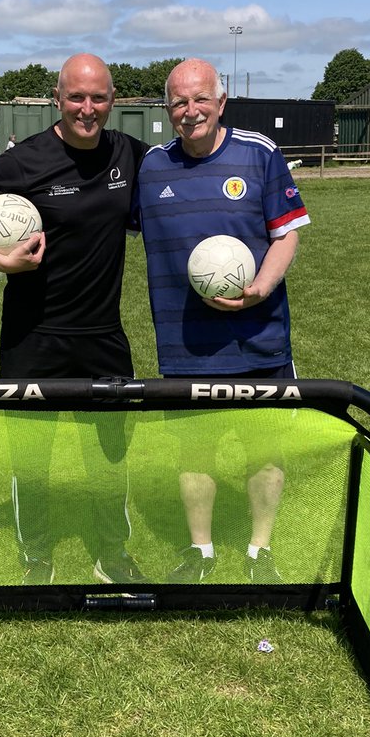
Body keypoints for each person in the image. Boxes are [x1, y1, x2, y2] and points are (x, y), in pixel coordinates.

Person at [0, 54, 148, 585]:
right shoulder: (27, 160)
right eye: (76, 97)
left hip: (103, 335)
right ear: (58, 97)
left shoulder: (130, 154)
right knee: (33, 459)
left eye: (98, 98)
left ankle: (112, 554)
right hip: (34, 336)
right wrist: (1, 260)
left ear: (112, 101)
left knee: (110, 457)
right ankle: (37, 558)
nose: (87, 109)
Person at [135, 58, 310, 584]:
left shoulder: (259, 153)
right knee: (195, 453)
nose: (191, 112)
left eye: (200, 100)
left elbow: (288, 233)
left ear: (221, 101)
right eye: (179, 103)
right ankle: (201, 552)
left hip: (259, 336)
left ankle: (260, 553)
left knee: (264, 449)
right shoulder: (152, 168)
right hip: (186, 340)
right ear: (168, 111)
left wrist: (261, 288)